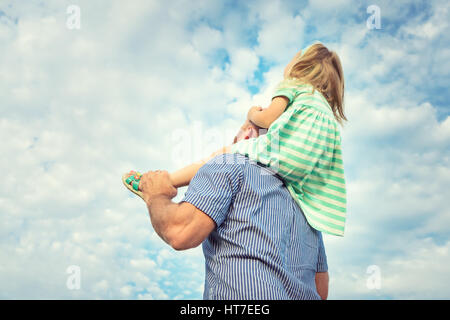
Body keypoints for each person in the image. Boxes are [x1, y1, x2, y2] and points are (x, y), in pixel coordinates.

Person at [124, 42, 348, 237]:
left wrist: (252, 114)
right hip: (307, 174)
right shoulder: (325, 110)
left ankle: (165, 182)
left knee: (220, 156)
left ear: (300, 65)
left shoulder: (294, 85)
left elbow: (267, 120)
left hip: (284, 157)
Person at [137, 153, 329, 300]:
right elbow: (321, 289)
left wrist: (156, 195)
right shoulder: (307, 209)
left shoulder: (230, 164)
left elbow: (179, 231)